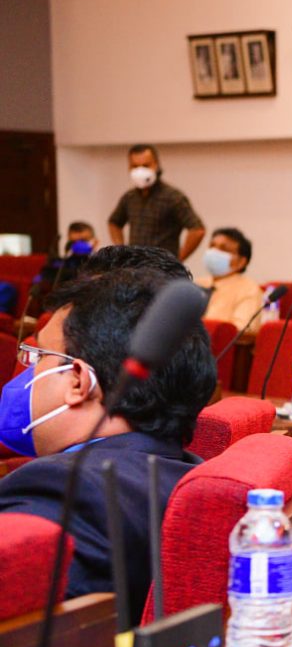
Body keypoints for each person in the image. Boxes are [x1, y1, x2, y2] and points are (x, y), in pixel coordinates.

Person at [0, 248, 216, 618]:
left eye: (39, 357)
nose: (27, 374)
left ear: (78, 381)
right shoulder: (182, 469)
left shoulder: (62, 492)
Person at [107, 144, 205, 261]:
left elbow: (197, 230)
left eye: (146, 165)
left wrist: (178, 260)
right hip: (135, 266)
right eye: (135, 166)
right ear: (129, 168)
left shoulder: (172, 197)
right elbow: (114, 222)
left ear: (156, 165)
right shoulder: (130, 197)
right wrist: (121, 250)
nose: (140, 171)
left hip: (162, 267)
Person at [199, 227, 264, 332]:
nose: (214, 251)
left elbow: (243, 330)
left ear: (241, 262)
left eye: (224, 249)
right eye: (212, 246)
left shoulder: (249, 289)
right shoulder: (197, 284)